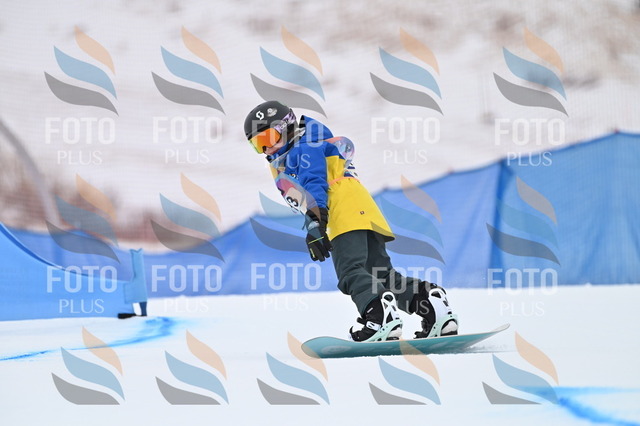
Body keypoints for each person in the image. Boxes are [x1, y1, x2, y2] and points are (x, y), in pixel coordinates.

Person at [243, 100, 458, 342]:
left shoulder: (303, 148)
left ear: (288, 127)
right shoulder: (309, 144)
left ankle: (379, 318)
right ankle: (432, 305)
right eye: (258, 144)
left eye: (269, 138)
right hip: (363, 207)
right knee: (381, 274)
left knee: (350, 272)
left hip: (341, 210)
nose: (267, 149)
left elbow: (314, 184)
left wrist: (315, 223)